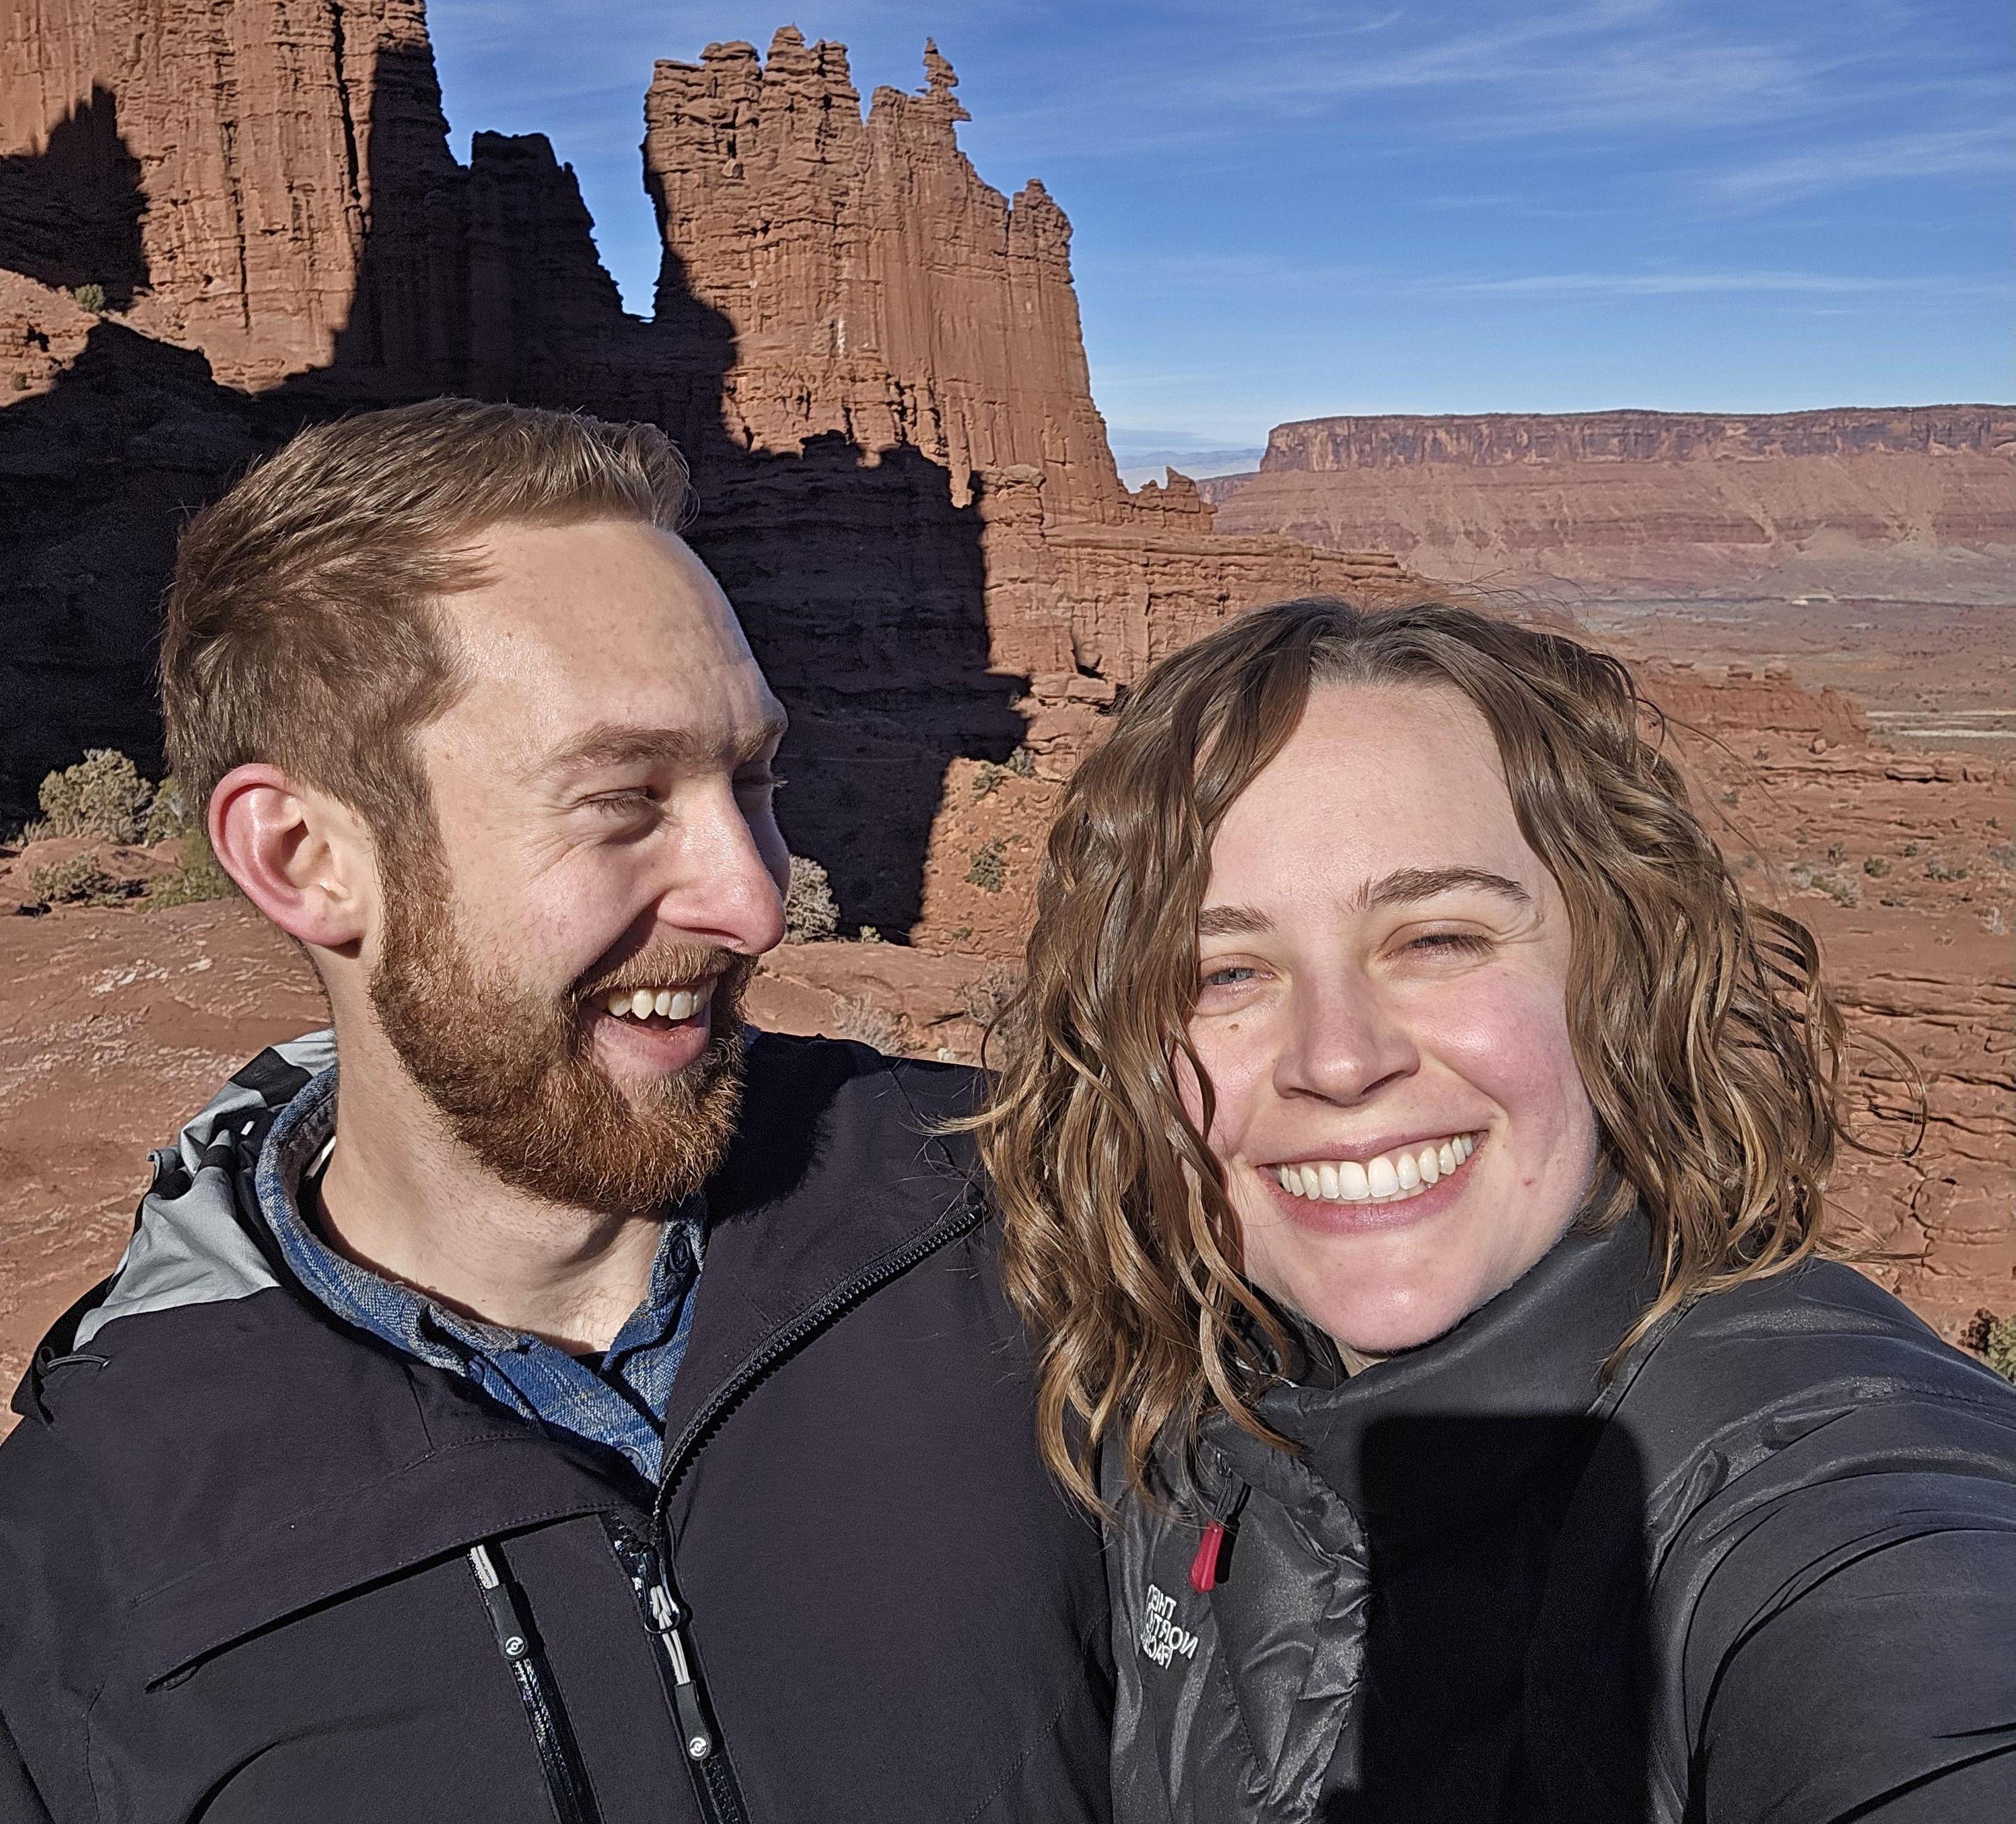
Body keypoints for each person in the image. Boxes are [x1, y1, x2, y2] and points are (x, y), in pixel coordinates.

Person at [0, 400, 1112, 1824]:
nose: (756, 896)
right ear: (303, 856)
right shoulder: (79, 1567)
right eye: (620, 799)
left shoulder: (1035, 1213)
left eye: (754, 778)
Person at [977, 596, 2015, 1823]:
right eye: (1225, 972)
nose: (1339, 1057)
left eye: (1437, 938)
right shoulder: (1183, 1404)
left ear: (1616, 972)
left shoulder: (1814, 1475)